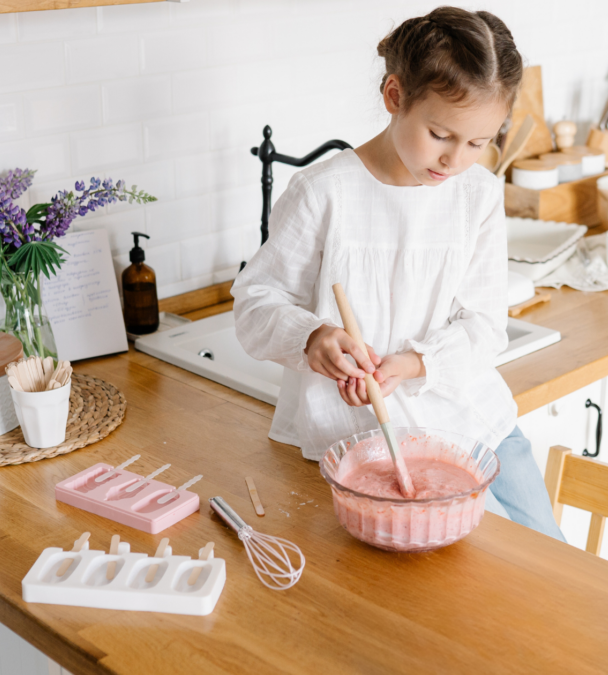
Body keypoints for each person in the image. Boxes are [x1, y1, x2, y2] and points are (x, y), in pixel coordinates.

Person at [231, 6, 564, 541]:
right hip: (356, 440)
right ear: (394, 96)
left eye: (478, 143)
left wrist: (415, 364)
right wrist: (313, 337)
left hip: (475, 423)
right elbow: (254, 304)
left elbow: (485, 326)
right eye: (440, 134)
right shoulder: (325, 193)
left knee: (548, 559)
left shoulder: (477, 195)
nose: (455, 160)